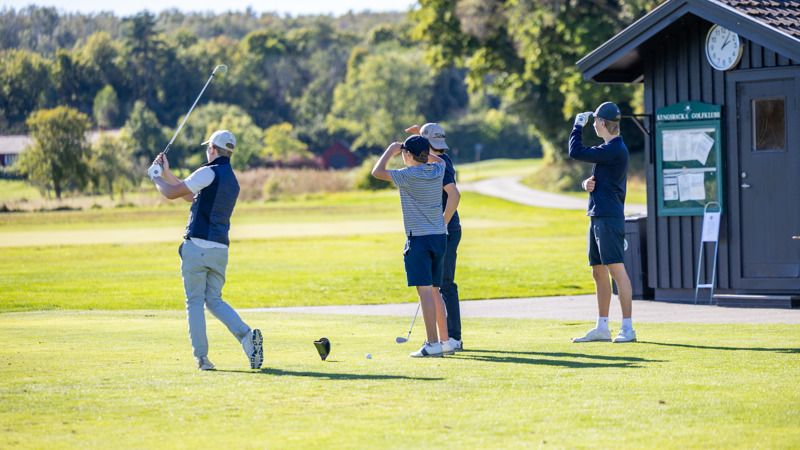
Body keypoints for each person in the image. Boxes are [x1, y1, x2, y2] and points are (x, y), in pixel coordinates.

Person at [148, 129, 264, 370]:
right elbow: (190, 195)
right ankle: (246, 336)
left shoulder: (208, 172)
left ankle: (202, 359)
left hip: (197, 245)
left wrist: (156, 177)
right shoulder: (231, 179)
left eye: (207, 147)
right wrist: (167, 172)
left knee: (194, 302)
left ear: (212, 148)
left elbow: (172, 193)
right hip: (220, 250)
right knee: (213, 299)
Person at [371, 135, 453, 357]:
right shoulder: (437, 170)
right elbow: (441, 161)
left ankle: (432, 343)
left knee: (425, 292)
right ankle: (443, 342)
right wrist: (425, 152)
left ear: (407, 155)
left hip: (419, 239)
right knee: (435, 291)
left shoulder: (407, 175)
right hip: (439, 237)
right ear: (426, 153)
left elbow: (377, 172)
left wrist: (390, 150)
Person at [568, 102, 636, 343]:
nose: (593, 124)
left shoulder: (615, 148)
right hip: (597, 215)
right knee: (598, 271)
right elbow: (598, 178)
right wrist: (585, 184)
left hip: (609, 217)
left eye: (596, 121)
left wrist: (577, 126)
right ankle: (602, 327)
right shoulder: (609, 149)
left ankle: (627, 328)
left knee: (616, 270)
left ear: (603, 124)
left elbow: (576, 151)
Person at [405, 123, 463, 352]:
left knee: (444, 284)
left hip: (446, 227)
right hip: (440, 228)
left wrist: (443, 223)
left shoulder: (441, 162)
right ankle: (447, 337)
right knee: (439, 285)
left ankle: (453, 337)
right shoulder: (438, 157)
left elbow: (454, 195)